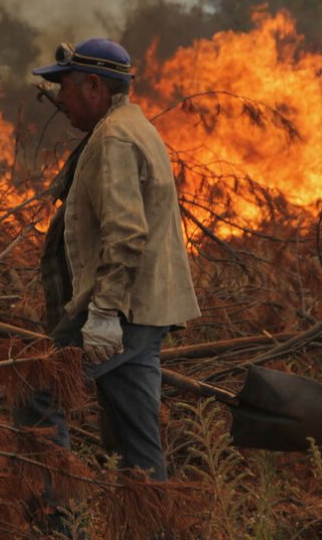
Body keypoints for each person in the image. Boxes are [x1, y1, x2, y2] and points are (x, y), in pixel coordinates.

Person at [18, 37, 201, 482]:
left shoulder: (115, 138)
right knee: (134, 439)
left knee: (37, 391)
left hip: (123, 310)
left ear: (95, 87)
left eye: (66, 88)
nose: (61, 100)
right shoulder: (135, 127)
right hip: (145, 310)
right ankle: (151, 530)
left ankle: (57, 528)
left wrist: (103, 313)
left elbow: (125, 233)